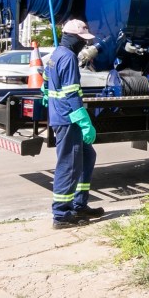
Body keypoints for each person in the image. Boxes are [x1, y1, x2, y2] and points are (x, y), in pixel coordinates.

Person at [45, 19, 104, 229]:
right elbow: (71, 92)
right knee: (69, 165)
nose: (84, 44)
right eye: (81, 39)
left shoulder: (56, 54)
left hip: (61, 115)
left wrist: (48, 97)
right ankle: (61, 215)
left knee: (88, 156)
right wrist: (84, 120)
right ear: (71, 37)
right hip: (68, 118)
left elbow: (46, 80)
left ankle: (79, 204)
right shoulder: (68, 57)